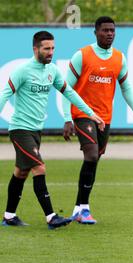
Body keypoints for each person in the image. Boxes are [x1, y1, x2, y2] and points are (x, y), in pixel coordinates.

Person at [0, 31, 105, 229]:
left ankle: (9, 216)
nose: (50, 52)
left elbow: (69, 92)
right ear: (35, 49)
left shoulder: (53, 71)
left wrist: (90, 113)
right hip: (20, 129)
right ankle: (51, 217)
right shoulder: (22, 71)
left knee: (21, 172)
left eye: (53, 48)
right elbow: (4, 94)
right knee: (39, 167)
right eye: (46, 48)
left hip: (36, 131)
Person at [62, 16, 133, 224]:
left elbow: (126, 88)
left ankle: (79, 208)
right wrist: (67, 118)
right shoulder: (82, 56)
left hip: (104, 118)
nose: (109, 34)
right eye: (105, 30)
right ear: (95, 32)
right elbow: (66, 88)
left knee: (94, 160)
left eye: (112, 31)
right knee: (91, 156)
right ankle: (84, 209)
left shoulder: (119, 58)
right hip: (83, 115)